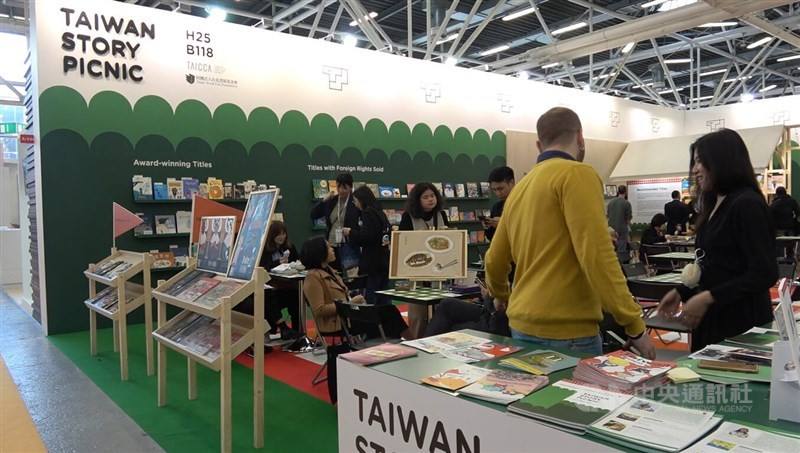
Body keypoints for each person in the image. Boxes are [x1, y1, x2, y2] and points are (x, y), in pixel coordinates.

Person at [485, 107, 655, 358]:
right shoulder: (578, 175)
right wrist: (634, 326)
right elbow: (597, 256)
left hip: (521, 324)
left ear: (538, 144)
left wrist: (500, 294)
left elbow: (495, 259)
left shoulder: (521, 188)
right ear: (580, 137)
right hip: (569, 330)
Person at [658, 128, 777, 351]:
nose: (695, 170)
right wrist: (681, 291)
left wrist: (709, 297)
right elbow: (712, 262)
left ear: (722, 161)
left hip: (740, 323)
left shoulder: (746, 204)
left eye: (700, 162)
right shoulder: (716, 205)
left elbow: (764, 272)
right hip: (713, 319)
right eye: (694, 163)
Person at [300, 237, 408, 402]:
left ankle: (403, 345)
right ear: (319, 253)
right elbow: (320, 310)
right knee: (387, 315)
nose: (332, 250)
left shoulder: (330, 271)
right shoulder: (313, 278)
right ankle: (409, 343)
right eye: (328, 248)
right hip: (337, 324)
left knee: (388, 311)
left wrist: (351, 303)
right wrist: (350, 303)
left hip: (348, 318)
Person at [399, 182, 450, 339]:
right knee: (419, 314)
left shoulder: (442, 215)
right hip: (417, 271)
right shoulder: (408, 217)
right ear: (417, 200)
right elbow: (403, 242)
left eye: (433, 196)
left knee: (441, 310)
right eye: (426, 197)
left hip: (439, 271)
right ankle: (417, 341)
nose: (430, 200)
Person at [342, 186, 392, 305]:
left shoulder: (367, 213)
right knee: (384, 296)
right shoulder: (380, 212)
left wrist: (351, 232)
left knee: (372, 297)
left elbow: (367, 237)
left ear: (361, 199)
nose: (354, 204)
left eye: (355, 200)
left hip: (373, 261)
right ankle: (384, 321)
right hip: (384, 260)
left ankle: (373, 322)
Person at [310, 173, 360, 272]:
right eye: (339, 187)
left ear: (350, 187)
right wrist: (323, 201)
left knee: (349, 275)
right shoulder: (332, 200)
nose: (341, 190)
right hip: (332, 244)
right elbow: (313, 215)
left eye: (344, 188)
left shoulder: (355, 202)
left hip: (348, 245)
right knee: (333, 274)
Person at [260, 221, 300, 339]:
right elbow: (263, 267)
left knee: (295, 295)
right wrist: (278, 263)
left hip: (287, 284)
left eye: (284, 234)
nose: (282, 237)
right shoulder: (265, 250)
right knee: (269, 297)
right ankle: (282, 327)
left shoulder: (290, 247)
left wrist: (292, 264)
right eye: (278, 234)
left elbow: (298, 261)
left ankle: (296, 330)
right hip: (270, 286)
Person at [482, 166, 515, 241]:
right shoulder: (496, 207)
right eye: (494, 190)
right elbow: (491, 237)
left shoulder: (524, 203)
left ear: (511, 182)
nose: (498, 193)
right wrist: (488, 226)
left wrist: (503, 224)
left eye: (500, 188)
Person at [607, 185, 632, 263]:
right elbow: (628, 218)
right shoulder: (626, 203)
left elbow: (608, 215)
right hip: (622, 230)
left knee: (612, 249)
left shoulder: (610, 202)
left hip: (611, 229)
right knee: (622, 251)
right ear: (625, 192)